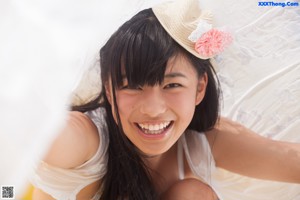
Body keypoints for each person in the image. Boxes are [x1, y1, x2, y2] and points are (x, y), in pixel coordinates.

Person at [30, 0, 300, 199]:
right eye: (132, 86)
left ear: (200, 88)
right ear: (109, 90)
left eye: (172, 85)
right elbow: (35, 129)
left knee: (193, 194)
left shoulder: (204, 140)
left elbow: (290, 161)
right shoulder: (87, 139)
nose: (153, 109)